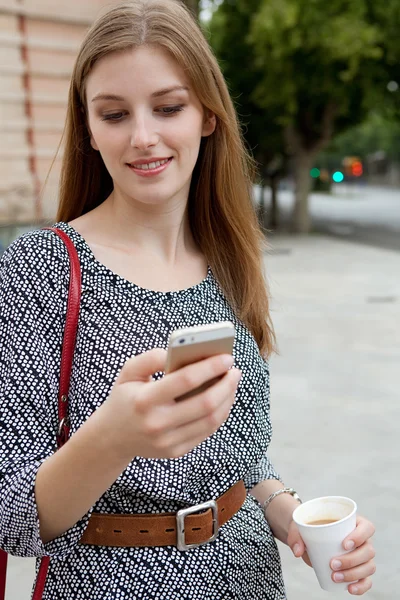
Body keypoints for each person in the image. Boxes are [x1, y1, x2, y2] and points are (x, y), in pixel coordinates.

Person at [0, 1, 376, 598]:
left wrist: (298, 521)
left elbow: (242, 464)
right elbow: (13, 516)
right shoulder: (42, 267)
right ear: (89, 129)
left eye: (168, 107)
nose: (143, 136)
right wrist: (112, 440)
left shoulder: (227, 256)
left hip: (250, 577)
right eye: (114, 114)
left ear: (207, 115)